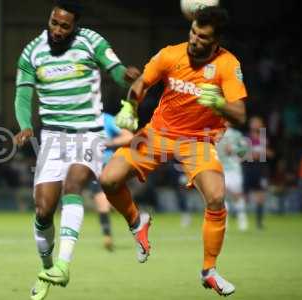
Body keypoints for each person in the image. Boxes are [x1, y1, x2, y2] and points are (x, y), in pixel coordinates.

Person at [100, 6, 247, 297]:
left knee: (216, 197)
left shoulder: (228, 65)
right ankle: (136, 221)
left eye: (203, 37)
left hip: (199, 142)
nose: (194, 40)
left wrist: (219, 103)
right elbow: (141, 82)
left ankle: (209, 271)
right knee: (108, 179)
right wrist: (131, 106)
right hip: (158, 134)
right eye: (193, 32)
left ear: (215, 42)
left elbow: (240, 115)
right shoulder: (170, 54)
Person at [13, 1, 140, 299]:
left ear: (75, 26)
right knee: (43, 210)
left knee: (74, 183)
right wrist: (25, 125)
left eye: (64, 26)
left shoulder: (91, 41)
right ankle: (47, 269)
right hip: (53, 139)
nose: (57, 30)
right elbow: (22, 93)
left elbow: (116, 70)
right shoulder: (32, 51)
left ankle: (63, 265)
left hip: (89, 134)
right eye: (53, 23)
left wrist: (127, 76)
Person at [90, 112, 135, 251]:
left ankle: (138, 223)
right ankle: (107, 237)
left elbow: (129, 136)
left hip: (108, 167)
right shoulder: (79, 119)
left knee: (111, 203)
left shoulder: (107, 119)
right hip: (91, 168)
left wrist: (108, 143)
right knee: (101, 201)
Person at [243, 116, 274, 229]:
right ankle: (242, 219)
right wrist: (250, 155)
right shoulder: (245, 137)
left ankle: (259, 223)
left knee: (260, 196)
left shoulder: (264, 137)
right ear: (250, 125)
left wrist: (263, 152)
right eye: (254, 122)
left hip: (261, 169)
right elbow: (241, 154)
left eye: (258, 122)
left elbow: (271, 154)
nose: (256, 125)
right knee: (244, 196)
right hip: (248, 168)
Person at [217, 122, 249, 231]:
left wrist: (234, 150)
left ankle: (242, 218)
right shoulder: (214, 133)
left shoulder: (237, 134)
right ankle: (224, 223)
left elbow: (245, 150)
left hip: (233, 169)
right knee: (221, 196)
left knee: (237, 195)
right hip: (219, 168)